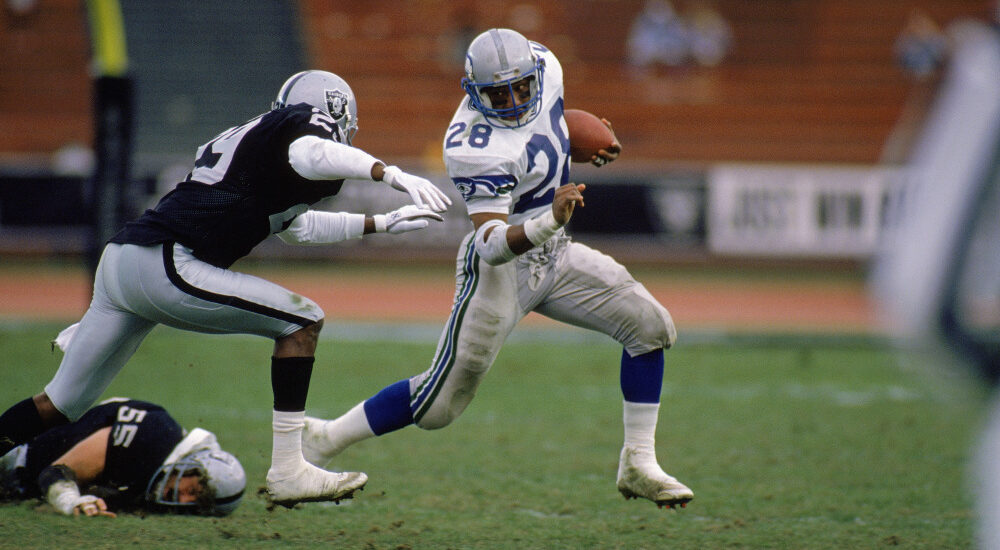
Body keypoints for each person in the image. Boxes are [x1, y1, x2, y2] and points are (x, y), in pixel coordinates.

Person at [0, 70, 452, 508]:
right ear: (332, 113)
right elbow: (313, 152)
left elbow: (295, 227)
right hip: (165, 260)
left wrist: (380, 223)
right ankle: (289, 471)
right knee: (302, 321)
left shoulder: (261, 143)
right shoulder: (300, 130)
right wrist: (389, 174)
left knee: (60, 405)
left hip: (124, 260)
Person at [301, 29, 694, 509]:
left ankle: (639, 461)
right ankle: (324, 438)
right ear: (472, 92)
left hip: (555, 255)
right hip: (500, 271)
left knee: (650, 327)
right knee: (437, 406)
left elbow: (544, 129)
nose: (511, 102)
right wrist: (550, 219)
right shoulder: (472, 144)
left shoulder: (547, 65)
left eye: (520, 89)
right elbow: (490, 245)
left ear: (534, 75)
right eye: (497, 94)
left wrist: (575, 141)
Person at [0, 397, 245, 517]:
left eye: (196, 504)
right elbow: (56, 472)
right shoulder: (153, 437)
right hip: (16, 457)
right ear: (193, 468)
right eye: (194, 491)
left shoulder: (158, 477)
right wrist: (70, 500)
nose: (183, 500)